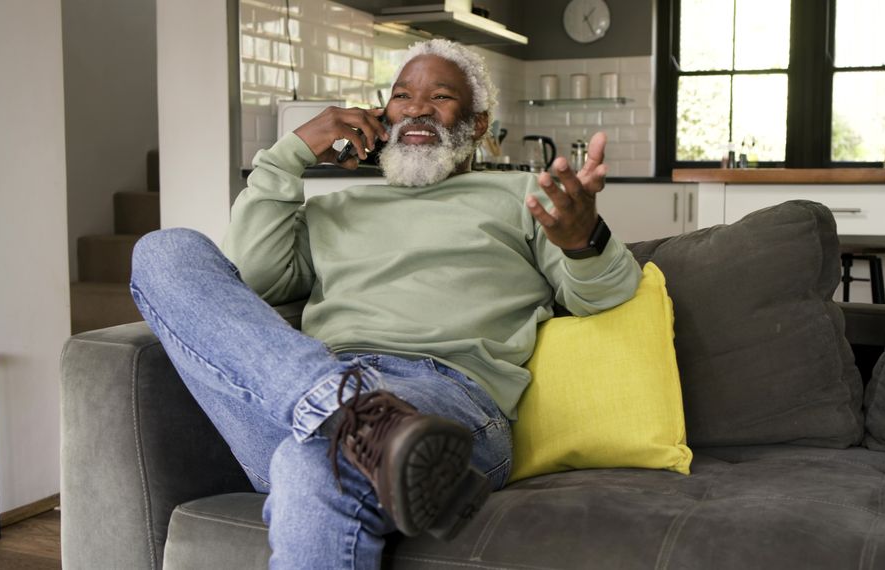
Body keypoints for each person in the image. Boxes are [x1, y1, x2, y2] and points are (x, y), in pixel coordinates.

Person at [129, 38, 640, 569]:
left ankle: (355, 422)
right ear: (382, 114)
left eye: (439, 96)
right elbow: (253, 283)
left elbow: (605, 297)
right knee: (165, 249)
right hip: (311, 386)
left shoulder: (522, 196)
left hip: (443, 401)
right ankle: (355, 416)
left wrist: (583, 239)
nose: (417, 107)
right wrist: (290, 157)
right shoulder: (335, 204)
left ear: (478, 125)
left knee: (317, 460)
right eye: (402, 96)